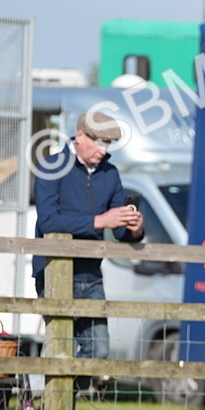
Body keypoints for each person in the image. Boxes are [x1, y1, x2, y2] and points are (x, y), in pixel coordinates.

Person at [33, 110, 144, 390]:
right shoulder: (51, 166)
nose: (103, 150)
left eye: (109, 144)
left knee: (100, 351)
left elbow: (120, 233)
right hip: (54, 271)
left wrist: (134, 227)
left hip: (91, 274)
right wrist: (99, 221)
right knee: (62, 351)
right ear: (80, 135)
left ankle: (57, 407)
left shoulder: (110, 173)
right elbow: (48, 221)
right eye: (99, 142)